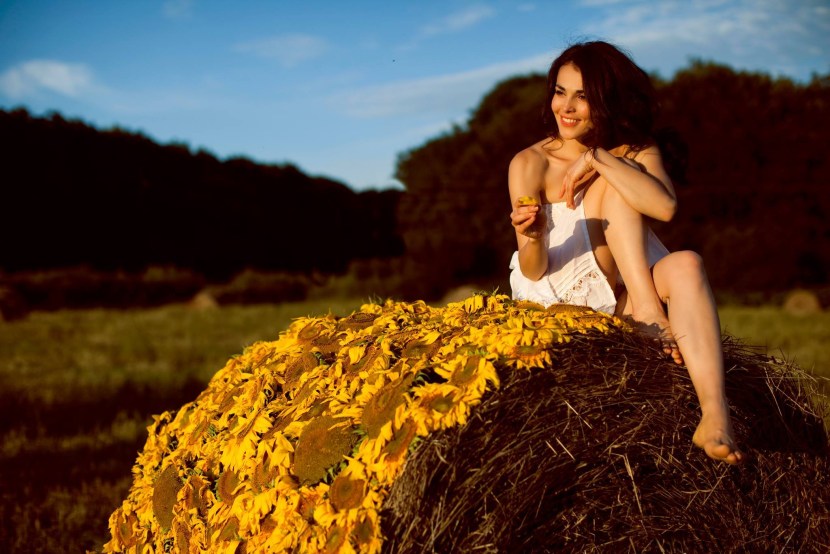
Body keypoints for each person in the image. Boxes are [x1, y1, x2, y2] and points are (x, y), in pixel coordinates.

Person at [508, 41, 743, 465]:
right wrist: (536, 235)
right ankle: (650, 312)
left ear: (607, 100)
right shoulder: (529, 163)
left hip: (623, 297)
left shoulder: (636, 151)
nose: (566, 107)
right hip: (559, 303)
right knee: (615, 183)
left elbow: (664, 207)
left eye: (583, 96)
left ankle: (714, 415)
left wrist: (598, 159)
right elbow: (533, 267)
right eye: (560, 92)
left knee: (686, 263)